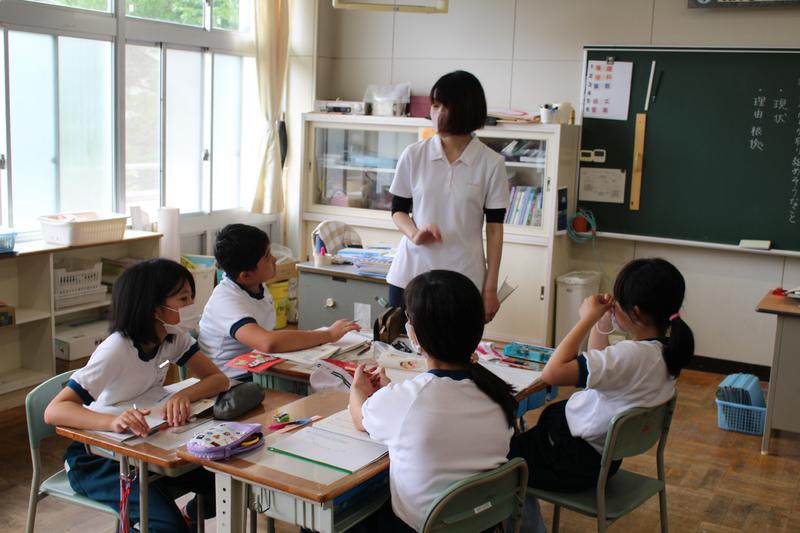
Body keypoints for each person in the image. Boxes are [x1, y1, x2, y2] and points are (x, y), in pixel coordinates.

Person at [44, 258, 230, 533]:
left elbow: (218, 379)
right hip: (97, 461)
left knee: (225, 483)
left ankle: (187, 519)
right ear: (155, 308)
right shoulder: (117, 349)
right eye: (183, 298)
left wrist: (183, 395)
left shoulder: (173, 336)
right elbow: (54, 411)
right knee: (166, 525)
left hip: (142, 451)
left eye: (191, 296)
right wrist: (113, 422)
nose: (191, 304)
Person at [348, 270, 517, 531]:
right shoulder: (497, 393)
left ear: (415, 335)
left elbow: (360, 417)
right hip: (481, 525)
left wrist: (357, 388)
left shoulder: (407, 399)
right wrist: (391, 392)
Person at [510, 258, 695, 492]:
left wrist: (586, 319)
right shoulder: (665, 351)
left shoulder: (630, 356)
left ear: (636, 313)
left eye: (619, 301)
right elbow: (600, 366)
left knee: (500, 459)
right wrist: (603, 320)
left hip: (568, 461)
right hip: (601, 462)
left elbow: (552, 373)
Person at [386, 70, 508, 322]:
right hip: (411, 275)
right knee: (402, 346)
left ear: (467, 110)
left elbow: (495, 229)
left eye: (446, 107)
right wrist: (414, 233)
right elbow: (398, 210)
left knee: (456, 346)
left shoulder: (491, 163)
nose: (438, 114)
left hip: (463, 280)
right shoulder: (414, 155)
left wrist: (490, 288)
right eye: (435, 106)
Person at [199, 224, 360, 379]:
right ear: (246, 275)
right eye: (267, 257)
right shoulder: (225, 301)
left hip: (260, 366)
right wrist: (328, 334)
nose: (274, 259)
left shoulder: (255, 284)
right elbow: (267, 342)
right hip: (233, 379)